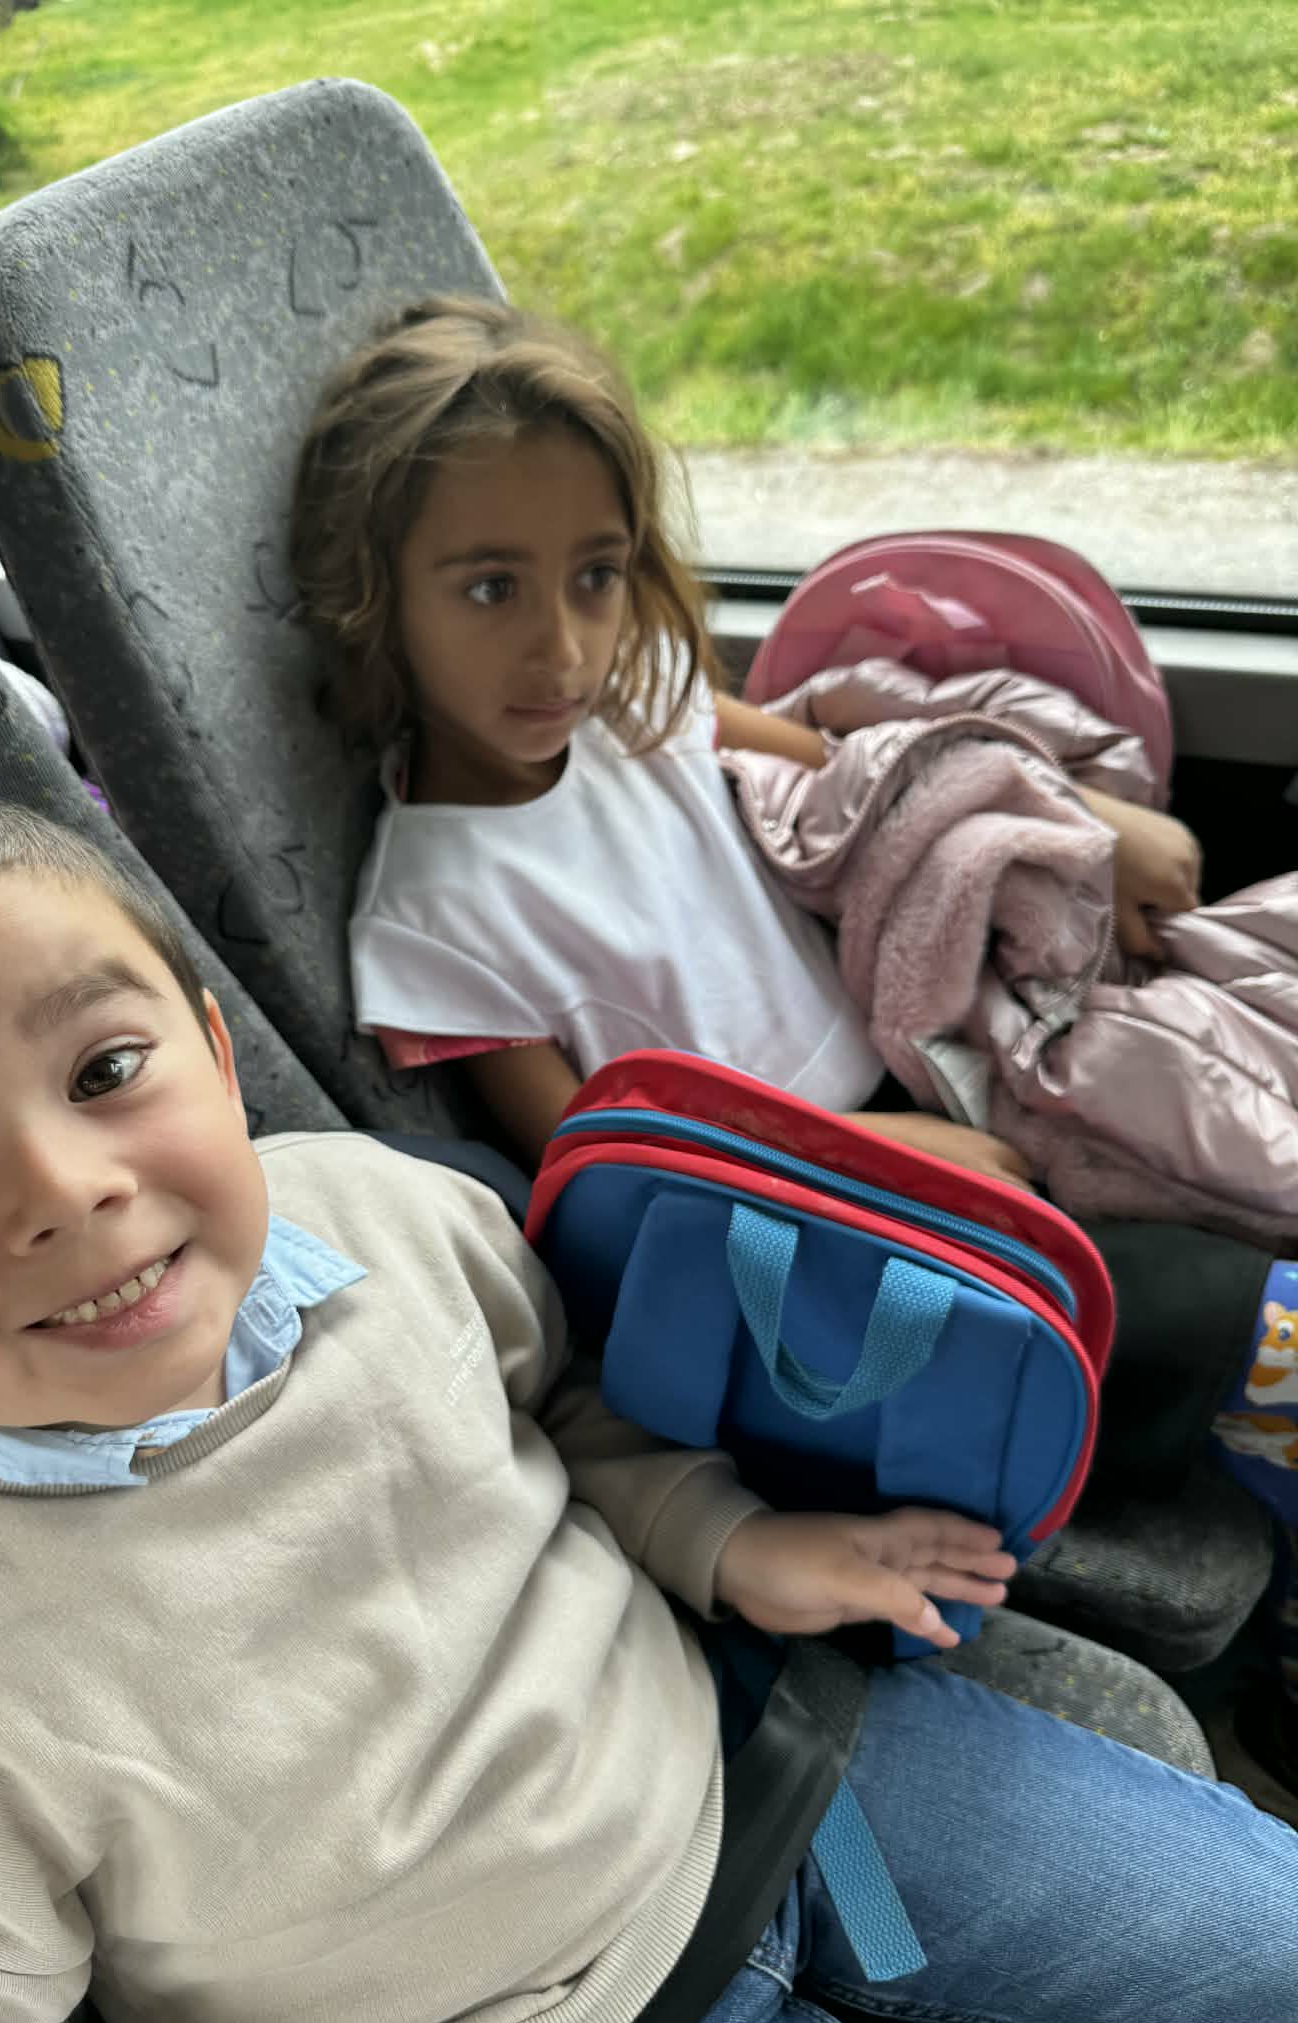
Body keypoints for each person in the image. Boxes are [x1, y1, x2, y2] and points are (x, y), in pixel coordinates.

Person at [0, 787, 1293, 2023]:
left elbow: (558, 1402)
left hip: (786, 1783)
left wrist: (730, 1542)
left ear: (220, 1066)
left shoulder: (382, 1212)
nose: (65, 1189)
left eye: (106, 1069)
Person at [290, 294, 1298, 1798]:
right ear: (379, 601)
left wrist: (1082, 824)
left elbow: (873, 784)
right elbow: (604, 1180)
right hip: (841, 1238)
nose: (562, 645)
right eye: (490, 587)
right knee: (1270, 1322)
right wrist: (885, 1157)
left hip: (952, 1064)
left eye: (597, 576)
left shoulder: (643, 708)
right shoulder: (436, 919)